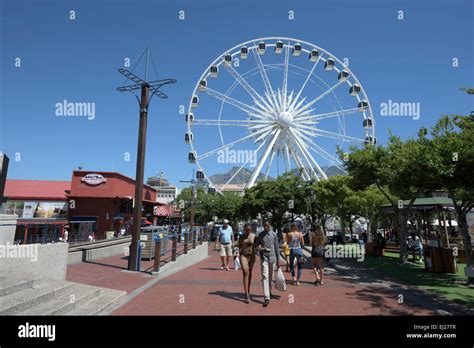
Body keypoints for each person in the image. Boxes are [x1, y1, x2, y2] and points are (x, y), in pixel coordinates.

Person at [256, 221, 280, 307]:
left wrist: (278, 260)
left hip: (273, 258)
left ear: (270, 225)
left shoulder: (274, 235)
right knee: (265, 276)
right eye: (264, 225)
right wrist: (261, 249)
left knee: (271, 277)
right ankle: (266, 297)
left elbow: (277, 247)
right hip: (264, 259)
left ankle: (269, 292)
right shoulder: (260, 235)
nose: (265, 227)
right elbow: (256, 246)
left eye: (267, 225)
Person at [237, 223, 257, 303]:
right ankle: (246, 294)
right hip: (244, 256)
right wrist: (237, 253)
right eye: (246, 230)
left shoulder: (254, 236)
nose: (248, 231)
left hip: (252, 257)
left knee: (250, 272)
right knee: (245, 272)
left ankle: (248, 290)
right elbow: (239, 245)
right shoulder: (241, 236)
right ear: (244, 229)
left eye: (249, 230)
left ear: (251, 229)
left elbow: (257, 244)